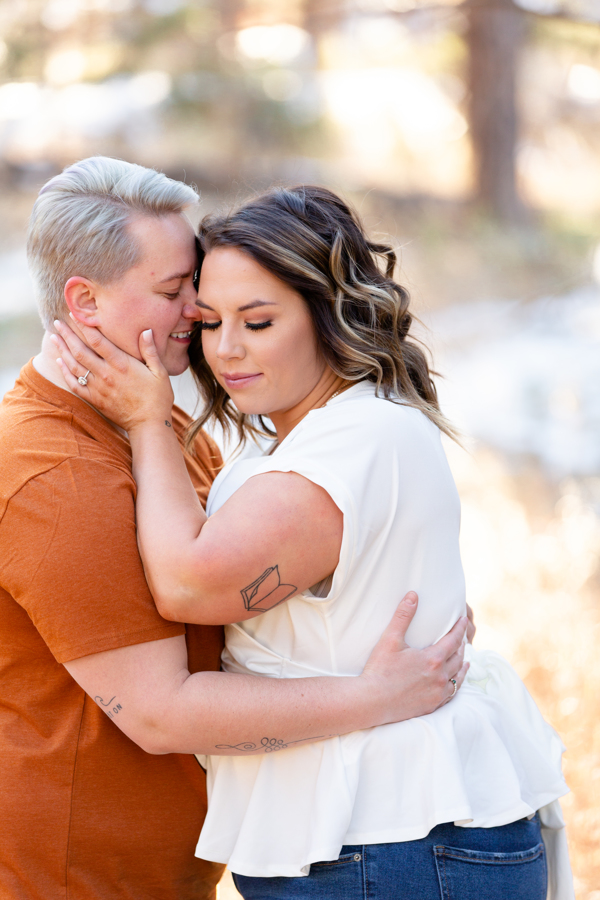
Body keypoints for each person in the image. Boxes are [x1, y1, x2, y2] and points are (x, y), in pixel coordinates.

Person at [54, 183, 572, 900]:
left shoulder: (351, 442)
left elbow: (187, 584)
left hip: (388, 840)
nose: (227, 349)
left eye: (258, 322)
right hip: (377, 839)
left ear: (328, 315)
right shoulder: (330, 432)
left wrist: (147, 423)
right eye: (209, 321)